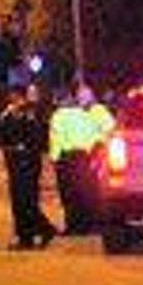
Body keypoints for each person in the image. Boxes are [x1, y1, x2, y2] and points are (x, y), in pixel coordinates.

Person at [48, 82, 114, 235]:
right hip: (85, 157)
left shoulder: (59, 115)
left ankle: (76, 226)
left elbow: (56, 138)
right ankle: (90, 224)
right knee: (87, 193)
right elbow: (96, 136)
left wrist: (55, 159)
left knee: (70, 195)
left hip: (68, 158)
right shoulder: (85, 115)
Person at [0, 89, 55, 250]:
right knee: (18, 201)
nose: (12, 99)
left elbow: (38, 136)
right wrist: (5, 118)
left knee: (26, 201)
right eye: (11, 97)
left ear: (21, 97)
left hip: (28, 163)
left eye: (15, 97)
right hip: (14, 162)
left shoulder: (31, 114)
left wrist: (25, 147)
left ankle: (37, 232)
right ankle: (31, 235)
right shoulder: (8, 115)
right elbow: (2, 135)